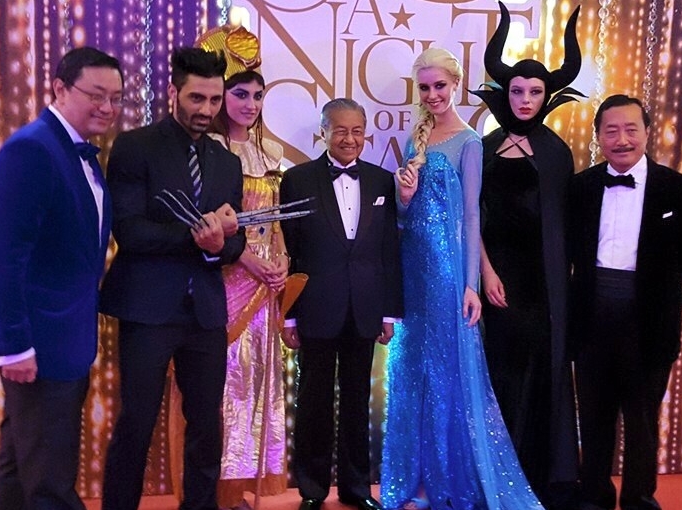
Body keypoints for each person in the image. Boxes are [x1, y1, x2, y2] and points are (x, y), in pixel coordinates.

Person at [381, 47, 542, 510]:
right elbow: (405, 218)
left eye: (440, 86)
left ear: (454, 84)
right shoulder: (416, 139)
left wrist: (471, 283)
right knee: (411, 372)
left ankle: (448, 480)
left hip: (448, 273)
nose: (432, 94)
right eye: (425, 87)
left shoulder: (470, 142)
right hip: (413, 270)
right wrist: (404, 198)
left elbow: (472, 216)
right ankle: (416, 480)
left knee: (447, 373)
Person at [99, 47, 246, 510]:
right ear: (172, 93)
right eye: (196, 98)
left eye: (214, 100)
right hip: (147, 309)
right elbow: (129, 231)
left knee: (206, 425)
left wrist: (220, 245)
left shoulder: (227, 162)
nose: (206, 109)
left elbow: (236, 243)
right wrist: (199, 237)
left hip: (205, 312)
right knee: (136, 422)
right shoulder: (134, 147)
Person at [0, 46, 123, 510]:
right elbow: (4, 256)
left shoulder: (78, 153)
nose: (107, 107)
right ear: (60, 89)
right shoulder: (32, 149)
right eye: (96, 95)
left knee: (21, 467)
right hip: (38, 342)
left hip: (64, 336)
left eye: (116, 97)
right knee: (51, 482)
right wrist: (14, 345)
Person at [567, 94, 682, 510]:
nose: (622, 139)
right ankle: (593, 496)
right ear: (598, 137)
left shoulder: (678, 189)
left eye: (631, 129)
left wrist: (656, 287)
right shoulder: (580, 187)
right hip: (591, 317)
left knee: (642, 419)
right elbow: (570, 249)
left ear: (647, 132)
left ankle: (639, 498)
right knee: (594, 416)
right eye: (611, 131)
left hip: (649, 321)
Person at [471, 3, 582, 508]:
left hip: (542, 287)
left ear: (546, 97)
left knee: (538, 376)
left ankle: (536, 475)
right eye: (517, 91)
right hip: (494, 280)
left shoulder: (556, 152)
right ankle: (496, 473)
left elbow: (564, 229)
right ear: (506, 92)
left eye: (534, 92)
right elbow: (471, 216)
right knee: (497, 375)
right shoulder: (484, 147)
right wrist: (485, 273)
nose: (525, 100)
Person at [279, 98, 403, 510]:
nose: (349, 139)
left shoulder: (382, 181)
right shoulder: (297, 180)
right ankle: (312, 489)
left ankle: (356, 488)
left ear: (365, 134)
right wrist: (289, 315)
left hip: (365, 307)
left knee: (357, 400)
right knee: (313, 401)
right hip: (315, 307)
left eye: (357, 131)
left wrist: (388, 312)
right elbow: (290, 252)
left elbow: (388, 251)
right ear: (324, 132)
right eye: (340, 130)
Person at [209, 40, 290, 509]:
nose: (251, 105)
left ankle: (245, 487)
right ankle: (218, 489)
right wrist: (249, 260)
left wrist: (281, 262)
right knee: (226, 383)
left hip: (266, 284)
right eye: (241, 94)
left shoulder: (270, 152)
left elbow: (276, 222)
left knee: (259, 382)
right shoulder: (211, 151)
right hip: (226, 277)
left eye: (258, 96)